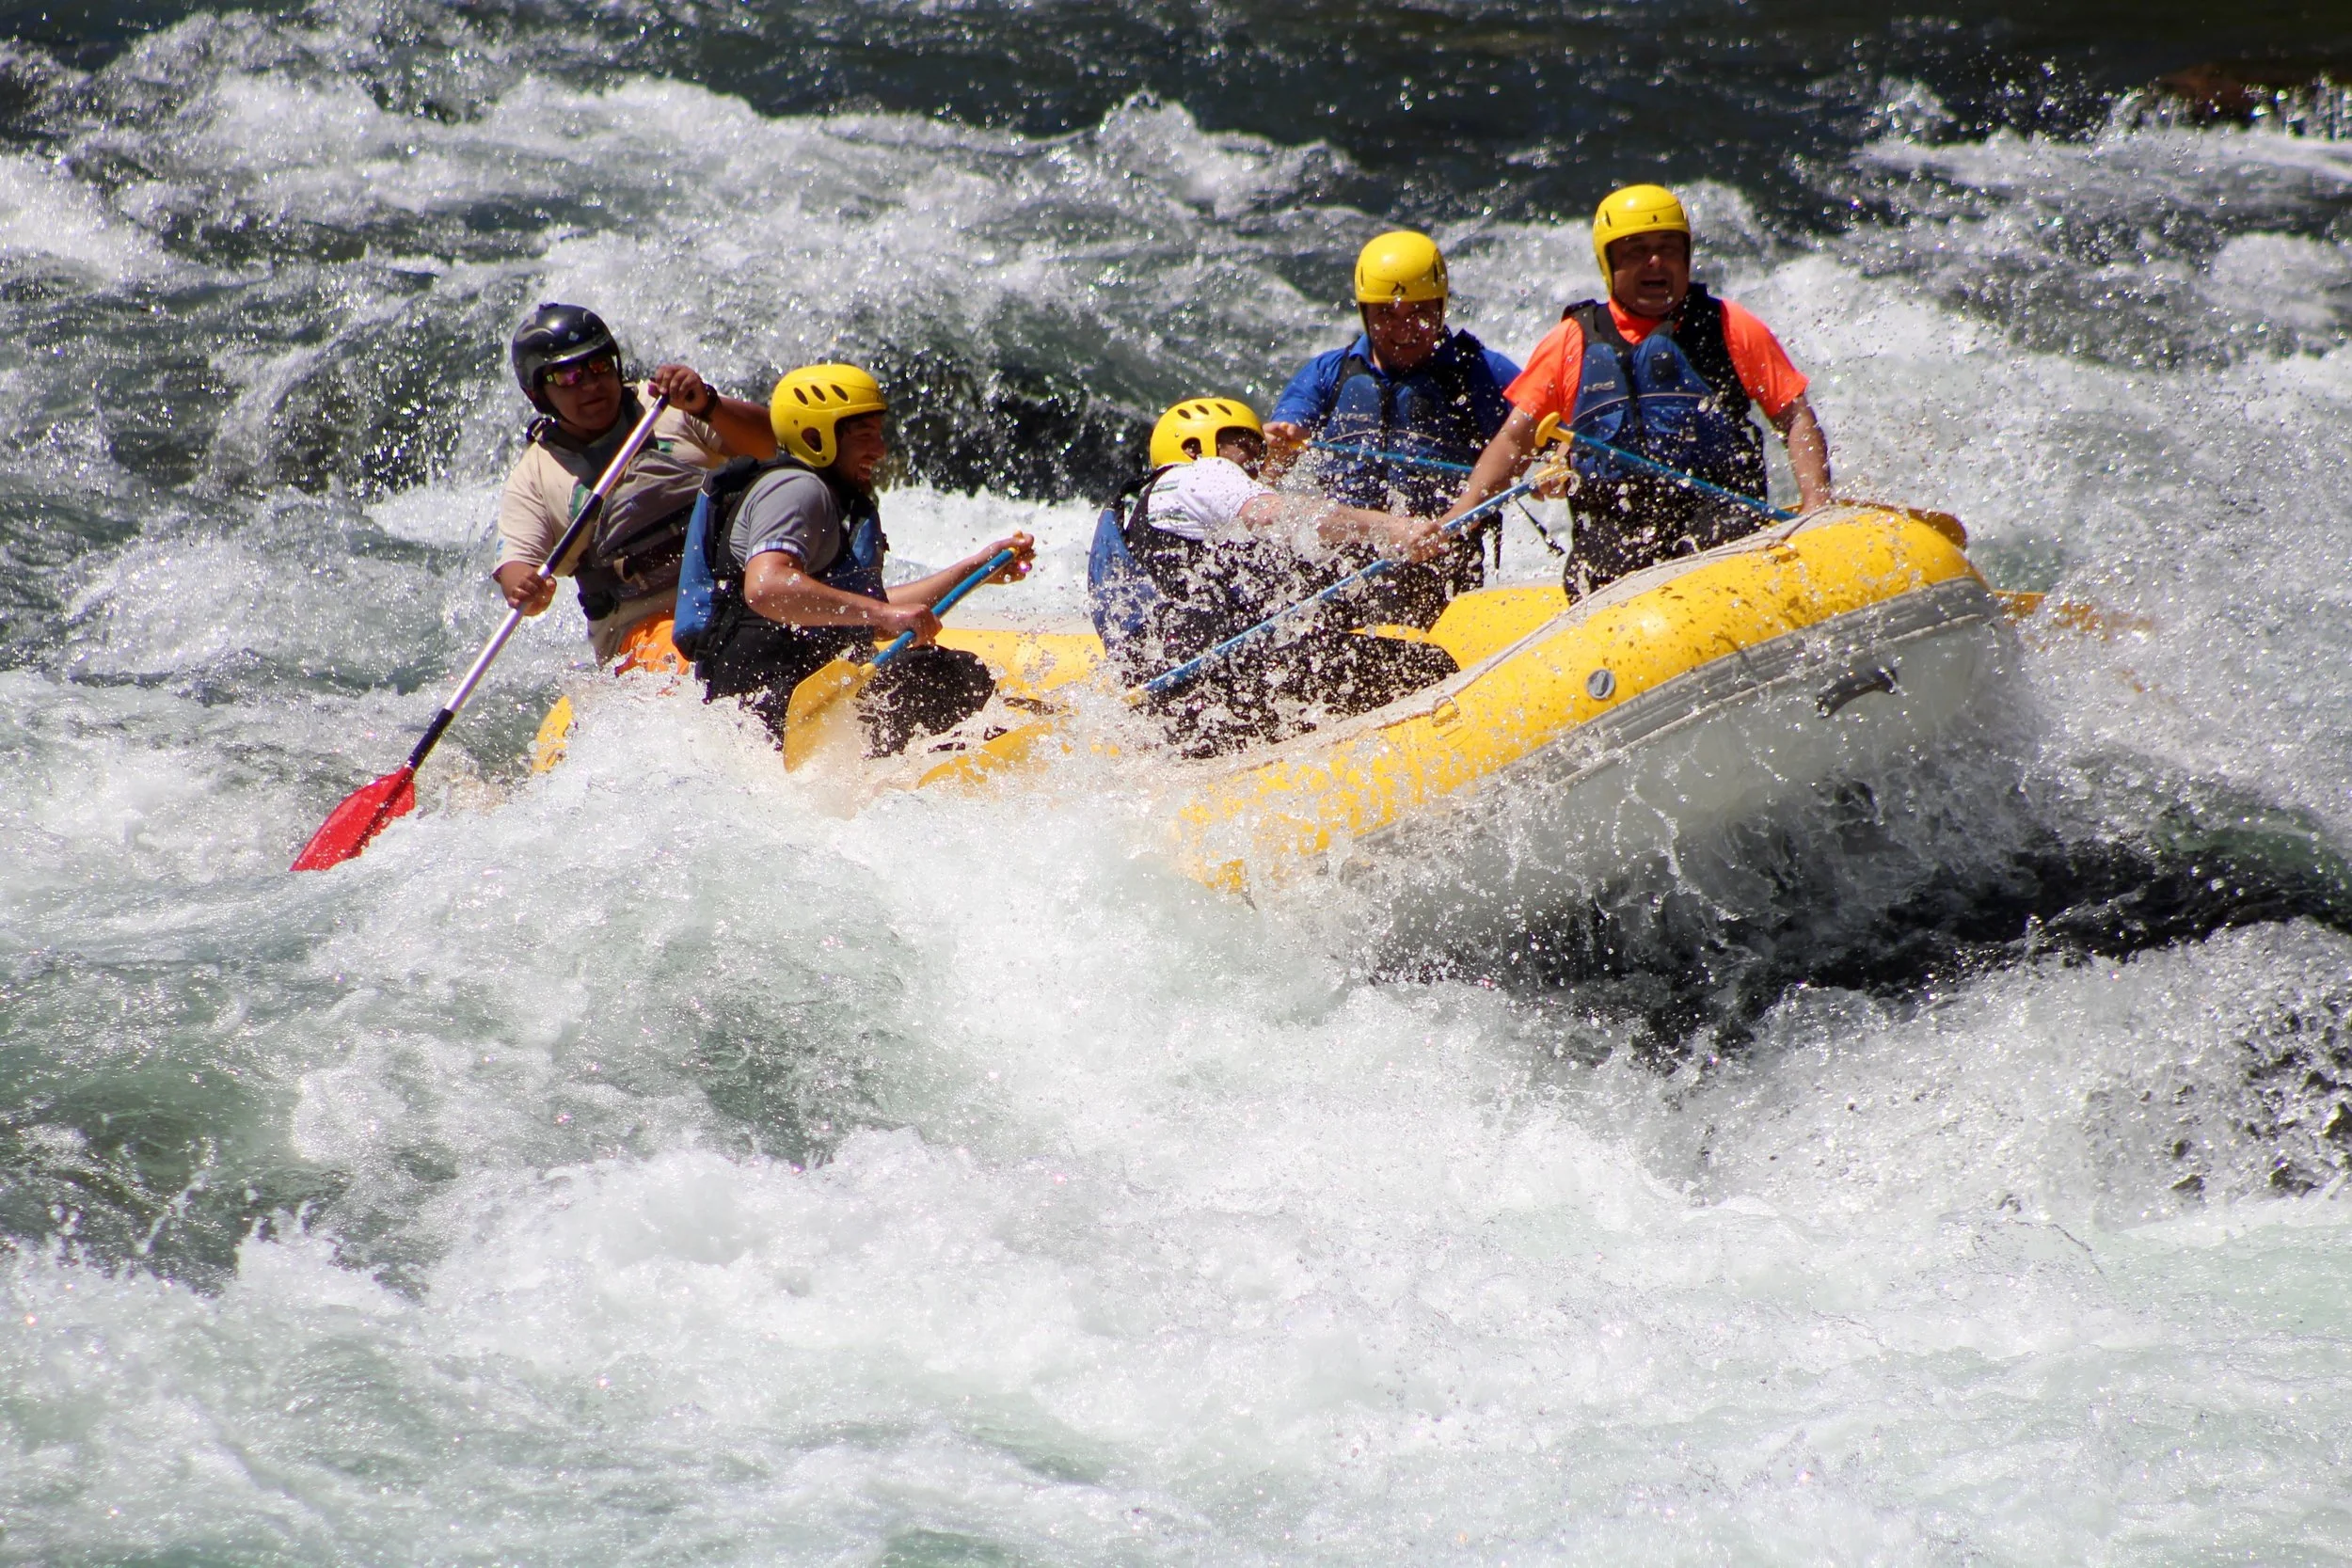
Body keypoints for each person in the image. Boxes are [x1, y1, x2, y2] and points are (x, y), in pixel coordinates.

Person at [1442, 184, 1833, 595]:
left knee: (1719, 537)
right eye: (1635, 251)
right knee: (1599, 567)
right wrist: (1460, 515)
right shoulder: (1571, 342)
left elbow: (1795, 417)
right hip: (1618, 527)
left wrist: (1815, 501)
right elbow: (1513, 440)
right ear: (1609, 263)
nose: (1655, 262)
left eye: (1668, 248)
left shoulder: (1731, 326)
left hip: (1720, 512)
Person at [687, 363, 1035, 757]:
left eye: (879, 433)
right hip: (767, 707)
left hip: (798, 701)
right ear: (816, 435)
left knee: (945, 672)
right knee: (948, 676)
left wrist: (974, 571)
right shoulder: (796, 490)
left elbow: (872, 609)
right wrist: (882, 617)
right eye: (865, 434)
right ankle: (1030, 747)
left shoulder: (831, 497)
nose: (880, 449)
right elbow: (766, 588)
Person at [1088, 395, 1460, 755]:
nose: (1254, 454)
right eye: (1240, 442)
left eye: (1257, 445)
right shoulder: (1204, 471)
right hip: (1229, 683)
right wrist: (1392, 529)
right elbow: (1281, 516)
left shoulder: (1143, 506)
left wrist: (1277, 464)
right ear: (1192, 448)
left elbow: (1245, 546)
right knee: (1431, 666)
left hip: (1178, 703)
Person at [493, 303, 779, 661]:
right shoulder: (533, 477)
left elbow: (773, 445)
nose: (591, 384)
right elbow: (516, 568)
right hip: (638, 625)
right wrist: (527, 588)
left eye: (598, 366)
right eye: (567, 377)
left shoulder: (669, 405)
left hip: (738, 587)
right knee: (698, 653)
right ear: (538, 392)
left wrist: (709, 405)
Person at [1263, 230, 1522, 621]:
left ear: (1441, 307)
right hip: (1342, 563)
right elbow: (1271, 473)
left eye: (1419, 312)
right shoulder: (1327, 374)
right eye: (1387, 313)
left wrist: (1557, 459)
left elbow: (1543, 431)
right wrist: (1279, 451)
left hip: (1441, 561)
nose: (1404, 328)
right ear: (1365, 312)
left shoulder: (1482, 372)